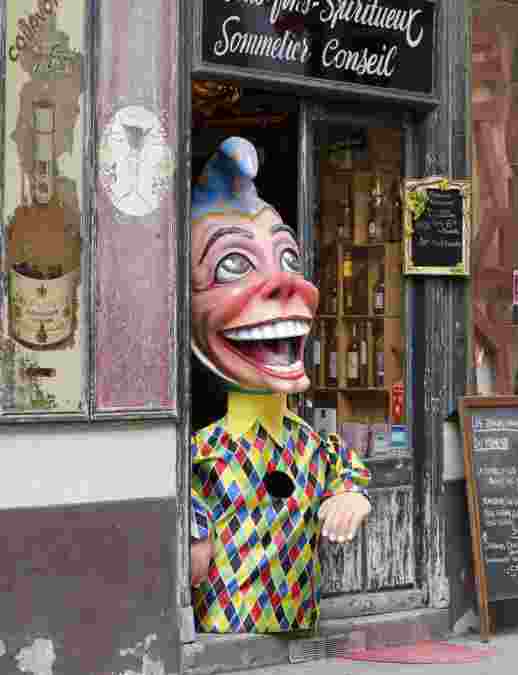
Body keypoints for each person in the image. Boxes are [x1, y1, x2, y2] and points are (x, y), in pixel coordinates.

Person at [188, 137, 371, 633]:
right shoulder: (200, 450)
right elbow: (174, 491)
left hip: (296, 617)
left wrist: (352, 496)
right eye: (232, 264)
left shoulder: (311, 444)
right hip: (227, 621)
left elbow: (348, 473)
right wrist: (194, 526)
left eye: (289, 259)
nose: (290, 284)